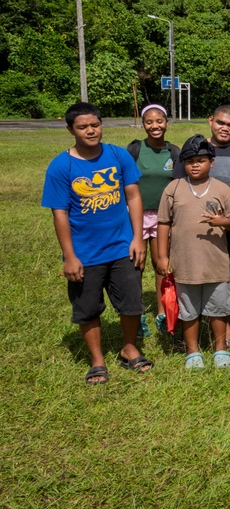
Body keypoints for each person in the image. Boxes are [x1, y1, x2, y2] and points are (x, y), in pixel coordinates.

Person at [41, 102, 151, 384]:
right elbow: (60, 214)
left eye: (95, 125)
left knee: (131, 302)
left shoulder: (118, 155)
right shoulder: (61, 167)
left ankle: (129, 348)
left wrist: (138, 238)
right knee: (87, 307)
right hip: (85, 253)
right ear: (70, 130)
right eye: (82, 127)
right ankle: (97, 360)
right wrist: (69, 256)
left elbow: (133, 197)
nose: (91, 131)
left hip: (122, 247)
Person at [175, 105, 230, 351]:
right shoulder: (193, 149)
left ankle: (227, 326)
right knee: (193, 279)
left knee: (228, 280)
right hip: (196, 230)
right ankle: (191, 330)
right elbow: (179, 186)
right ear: (210, 120)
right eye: (221, 122)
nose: (225, 128)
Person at [155, 135, 230, 369]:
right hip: (185, 263)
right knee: (188, 309)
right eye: (190, 160)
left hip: (216, 263)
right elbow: (163, 223)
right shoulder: (174, 188)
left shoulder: (222, 189)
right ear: (183, 163)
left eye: (201, 160)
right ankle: (193, 351)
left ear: (212, 162)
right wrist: (162, 256)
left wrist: (221, 221)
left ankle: (219, 349)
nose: (195, 165)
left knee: (218, 309)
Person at [126, 104, 180, 334]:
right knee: (135, 265)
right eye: (149, 122)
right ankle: (135, 315)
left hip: (163, 218)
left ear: (166, 123)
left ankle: (161, 313)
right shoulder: (134, 150)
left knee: (162, 265)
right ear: (143, 124)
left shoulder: (174, 152)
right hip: (136, 216)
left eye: (159, 121)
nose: (155, 126)